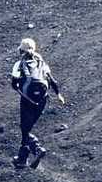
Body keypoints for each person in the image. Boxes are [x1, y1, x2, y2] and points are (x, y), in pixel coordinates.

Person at [11, 36, 65, 168]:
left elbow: (13, 84)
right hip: (42, 100)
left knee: (25, 128)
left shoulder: (19, 64)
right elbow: (52, 81)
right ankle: (22, 159)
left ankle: (37, 149)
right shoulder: (42, 64)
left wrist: (22, 91)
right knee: (27, 127)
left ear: (21, 51)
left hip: (27, 100)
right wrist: (59, 95)